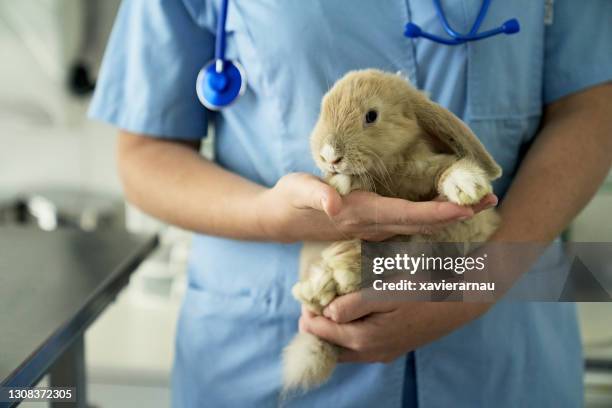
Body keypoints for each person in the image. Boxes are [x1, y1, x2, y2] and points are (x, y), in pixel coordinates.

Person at [89, 1, 612, 406]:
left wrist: (474, 285)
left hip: (502, 343)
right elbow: (144, 153)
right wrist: (273, 216)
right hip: (261, 342)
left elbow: (591, 107)